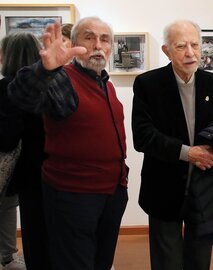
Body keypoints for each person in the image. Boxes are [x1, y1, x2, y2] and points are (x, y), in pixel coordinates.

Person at [7, 17, 128, 270]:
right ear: (74, 43)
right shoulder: (63, 79)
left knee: (101, 262)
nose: (97, 45)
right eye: (89, 37)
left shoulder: (105, 83)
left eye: (104, 39)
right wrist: (44, 69)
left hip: (110, 192)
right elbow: (21, 95)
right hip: (75, 194)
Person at [132, 19, 213, 270]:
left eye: (195, 45)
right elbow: (142, 136)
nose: (190, 53)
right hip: (163, 186)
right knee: (167, 260)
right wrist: (188, 153)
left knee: (199, 259)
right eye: (181, 46)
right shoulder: (148, 84)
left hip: (205, 187)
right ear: (166, 50)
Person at [0, 33, 38, 270]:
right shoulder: (46, 85)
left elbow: (5, 136)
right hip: (37, 164)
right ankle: (9, 256)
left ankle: (8, 256)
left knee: (7, 205)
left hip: (12, 161)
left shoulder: (5, 87)